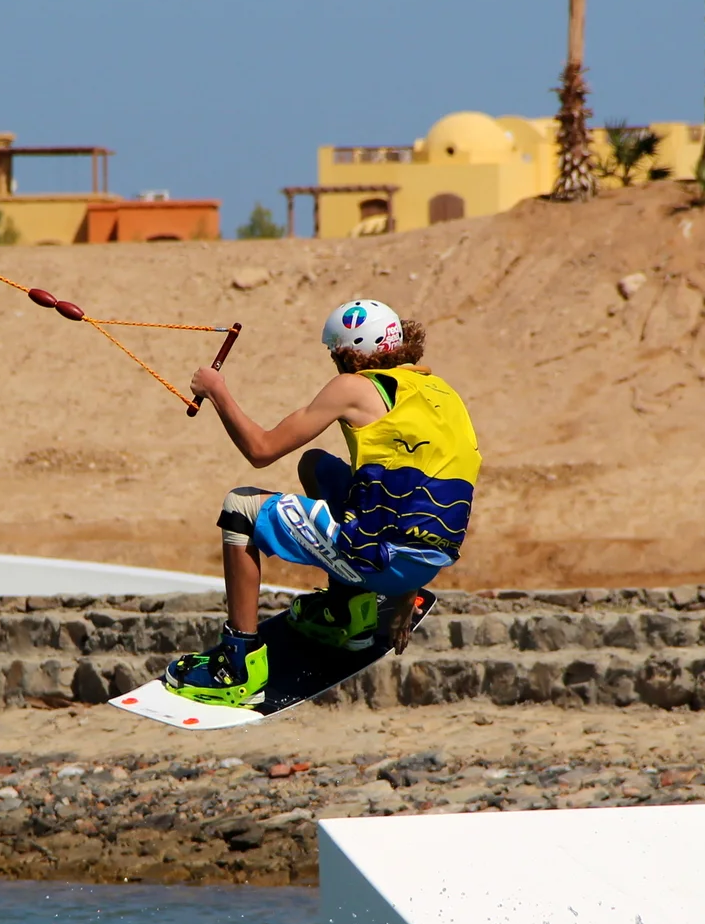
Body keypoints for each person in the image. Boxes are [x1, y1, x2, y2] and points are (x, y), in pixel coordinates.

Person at [165, 299, 481, 706]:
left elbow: (261, 450)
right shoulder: (443, 393)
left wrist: (217, 391)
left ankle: (238, 665)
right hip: (426, 559)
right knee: (314, 465)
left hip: (383, 562)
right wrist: (408, 592)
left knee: (240, 507)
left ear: (347, 353)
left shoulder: (353, 386)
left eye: (335, 354)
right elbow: (431, 497)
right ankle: (350, 610)